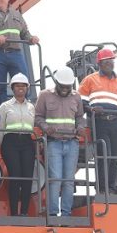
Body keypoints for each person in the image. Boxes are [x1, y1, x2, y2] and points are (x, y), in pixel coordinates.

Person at [79, 48, 117, 194]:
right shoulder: (90, 80)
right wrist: (91, 109)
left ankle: (111, 187)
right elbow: (81, 101)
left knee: (114, 156)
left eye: (111, 60)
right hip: (100, 122)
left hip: (116, 122)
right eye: (106, 61)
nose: (109, 63)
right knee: (104, 154)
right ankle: (103, 188)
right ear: (99, 63)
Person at [35, 66, 85, 217]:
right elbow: (37, 117)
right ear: (56, 82)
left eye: (68, 86)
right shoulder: (44, 95)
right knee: (55, 179)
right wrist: (45, 127)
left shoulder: (76, 97)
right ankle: (52, 213)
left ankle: (66, 214)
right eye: (62, 86)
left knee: (69, 181)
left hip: (72, 143)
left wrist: (81, 127)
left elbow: (80, 117)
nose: (65, 89)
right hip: (53, 143)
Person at [0, 73, 36, 216]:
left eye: (23, 86)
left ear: (27, 88)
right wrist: (3, 148)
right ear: (12, 88)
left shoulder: (32, 107)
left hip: (27, 142)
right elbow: (1, 129)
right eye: (17, 86)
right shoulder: (5, 106)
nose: (20, 88)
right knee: (15, 176)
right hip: (10, 143)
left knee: (27, 177)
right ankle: (14, 212)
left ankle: (24, 212)